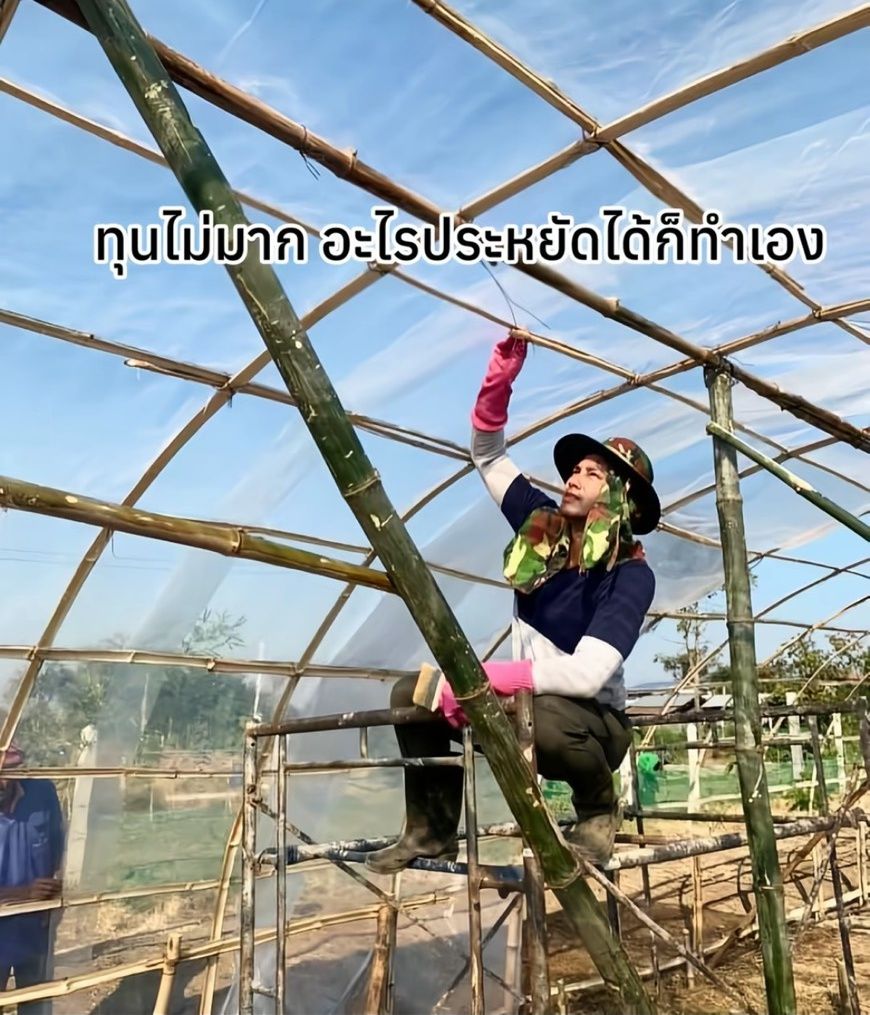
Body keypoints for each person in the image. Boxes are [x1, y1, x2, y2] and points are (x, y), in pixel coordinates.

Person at [366, 334, 659, 872]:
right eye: (575, 470)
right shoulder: (541, 528)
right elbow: (487, 454)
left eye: (593, 473)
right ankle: (431, 829)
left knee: (541, 716)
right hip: (524, 705)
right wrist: (498, 379)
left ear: (622, 498)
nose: (574, 478)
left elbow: (586, 676)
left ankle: (597, 809)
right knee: (412, 693)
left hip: (592, 727)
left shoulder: (630, 575)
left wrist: (481, 679)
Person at [0, 743, 65, 1014]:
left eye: (11, 770)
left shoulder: (42, 793)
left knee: (36, 1003)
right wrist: (25, 893)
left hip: (35, 928)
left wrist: (58, 891)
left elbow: (59, 848)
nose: (5, 781)